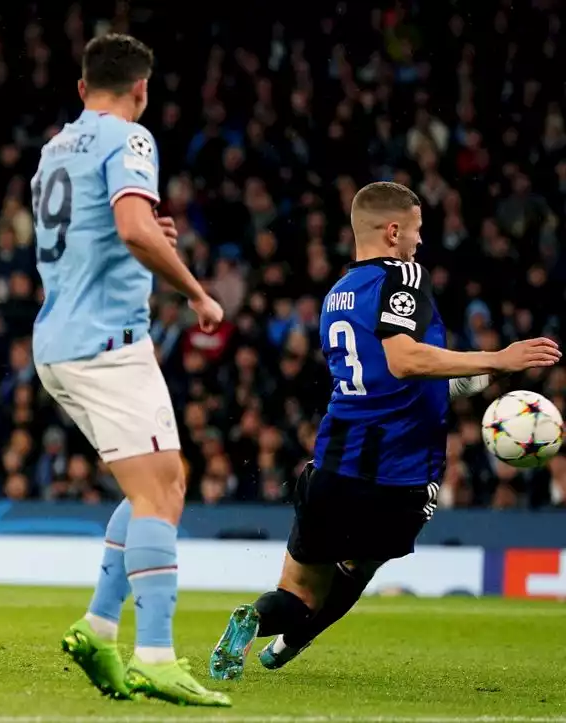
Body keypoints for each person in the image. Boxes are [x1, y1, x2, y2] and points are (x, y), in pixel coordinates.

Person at [208, 182, 561, 680]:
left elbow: (384, 379)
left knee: (297, 593)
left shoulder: (337, 295)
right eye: (416, 231)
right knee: (357, 568)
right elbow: (404, 359)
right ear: (393, 231)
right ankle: (291, 642)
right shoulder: (405, 275)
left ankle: (259, 621)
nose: (419, 242)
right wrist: (496, 357)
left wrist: (481, 378)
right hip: (398, 475)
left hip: (331, 467)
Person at [30, 34, 229, 707]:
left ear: (84, 88)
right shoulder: (132, 139)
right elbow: (132, 228)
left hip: (61, 336)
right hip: (106, 343)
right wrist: (196, 292)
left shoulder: (56, 148)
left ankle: (96, 626)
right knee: (156, 492)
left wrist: (142, 234)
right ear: (142, 90)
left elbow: (97, 233)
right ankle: (155, 654)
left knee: (164, 480)